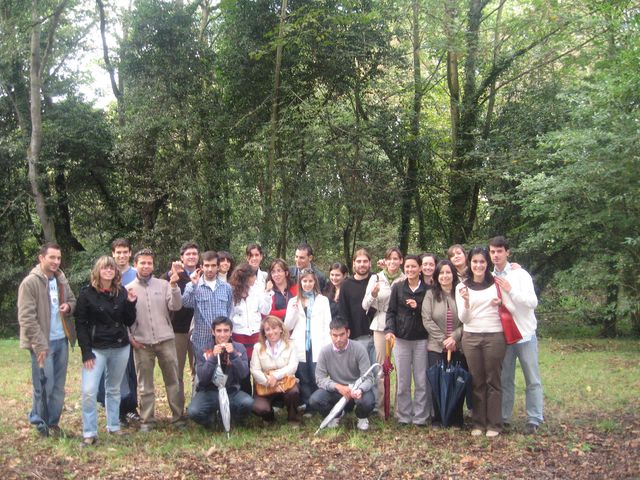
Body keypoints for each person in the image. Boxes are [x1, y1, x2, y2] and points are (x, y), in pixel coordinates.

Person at [75, 256, 137, 446]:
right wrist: (86, 352)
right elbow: (80, 324)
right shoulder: (87, 294)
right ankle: (89, 432)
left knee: (113, 389)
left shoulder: (121, 292)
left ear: (116, 272)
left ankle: (114, 425)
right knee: (89, 391)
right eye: (105, 268)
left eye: (111, 268)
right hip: (96, 349)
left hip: (120, 347)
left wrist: (130, 303)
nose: (108, 271)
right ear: (98, 271)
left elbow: (128, 321)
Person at [18, 242, 76, 438]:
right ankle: (41, 424)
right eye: (52, 257)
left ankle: (53, 423)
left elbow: (73, 301)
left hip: (62, 340)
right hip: (42, 344)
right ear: (41, 258)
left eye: (58, 258)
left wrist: (68, 306)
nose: (56, 262)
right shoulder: (30, 283)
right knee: (44, 386)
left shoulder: (61, 279)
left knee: (58, 387)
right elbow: (26, 317)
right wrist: (39, 344)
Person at [456, 247, 514, 438]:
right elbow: (463, 319)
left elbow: (511, 307)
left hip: (494, 336)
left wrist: (501, 303)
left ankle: (494, 424)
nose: (478, 265)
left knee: (493, 381)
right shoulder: (461, 287)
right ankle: (479, 423)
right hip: (471, 337)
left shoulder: (496, 284)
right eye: (475, 262)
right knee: (477, 381)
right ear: (470, 264)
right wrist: (465, 302)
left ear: (487, 263)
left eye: (482, 262)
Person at [126, 249, 185, 432]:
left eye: (149, 263)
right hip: (142, 343)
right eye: (142, 263)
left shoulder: (164, 285)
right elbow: (124, 317)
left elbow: (176, 305)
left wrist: (174, 286)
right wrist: (131, 337)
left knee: (173, 381)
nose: (146, 266)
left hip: (165, 339)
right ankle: (147, 420)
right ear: (135, 264)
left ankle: (178, 418)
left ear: (153, 264)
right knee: (145, 384)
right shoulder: (128, 288)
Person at [489, 236, 543, 435]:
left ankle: (534, 418)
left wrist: (511, 291)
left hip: (525, 334)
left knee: (532, 377)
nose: (496, 255)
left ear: (507, 253)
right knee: (505, 378)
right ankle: (504, 418)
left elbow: (532, 302)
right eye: (492, 251)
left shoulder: (520, 275)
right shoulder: (489, 276)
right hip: (504, 335)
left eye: (499, 251)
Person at [384, 255, 430, 426]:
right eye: (408, 267)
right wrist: (390, 330)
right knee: (403, 380)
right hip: (401, 340)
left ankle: (420, 417)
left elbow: (429, 314)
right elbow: (391, 312)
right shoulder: (398, 287)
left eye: (414, 267)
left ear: (420, 268)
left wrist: (417, 307)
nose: (410, 270)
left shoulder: (428, 289)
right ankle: (403, 416)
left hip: (421, 339)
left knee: (421, 380)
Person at [422, 259, 467, 427]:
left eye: (448, 272)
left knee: (457, 380)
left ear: (453, 275)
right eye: (441, 273)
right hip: (436, 346)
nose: (445, 276)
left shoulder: (461, 293)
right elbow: (426, 320)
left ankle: (456, 418)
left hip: (458, 345)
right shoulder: (430, 295)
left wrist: (454, 337)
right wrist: (444, 340)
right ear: (436, 276)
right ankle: (438, 418)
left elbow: (467, 319)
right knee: (437, 381)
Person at [309, 318, 375, 431]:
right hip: (337, 390)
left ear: (348, 333)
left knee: (368, 402)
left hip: (356, 389)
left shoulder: (359, 349)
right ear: (330, 334)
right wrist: (337, 387)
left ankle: (361, 416)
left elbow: (369, 378)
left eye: (342, 335)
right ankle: (336, 415)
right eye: (334, 335)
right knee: (314, 400)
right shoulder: (325, 352)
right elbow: (320, 378)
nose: (338, 339)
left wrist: (360, 390)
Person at [188, 316, 254, 428]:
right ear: (213, 332)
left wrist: (233, 355)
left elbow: (244, 374)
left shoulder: (239, 348)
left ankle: (234, 418)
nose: (222, 335)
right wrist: (213, 357)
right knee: (193, 411)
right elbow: (203, 377)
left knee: (248, 403)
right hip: (209, 392)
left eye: (226, 330)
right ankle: (211, 421)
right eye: (218, 331)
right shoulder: (204, 350)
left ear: (231, 332)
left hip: (231, 392)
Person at [362, 247, 405, 413]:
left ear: (401, 260)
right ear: (385, 261)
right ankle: (382, 409)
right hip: (380, 326)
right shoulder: (376, 278)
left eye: (396, 258)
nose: (393, 262)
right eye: (389, 259)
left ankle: (400, 410)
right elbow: (365, 305)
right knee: (381, 369)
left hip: (401, 326)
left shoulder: (405, 277)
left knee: (401, 369)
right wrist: (373, 294)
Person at [284, 269, 332, 410]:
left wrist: (327, 345)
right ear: (300, 282)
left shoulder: (322, 300)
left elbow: (327, 324)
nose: (307, 284)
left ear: (315, 282)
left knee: (316, 375)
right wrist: (293, 310)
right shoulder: (294, 301)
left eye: (310, 281)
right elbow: (287, 326)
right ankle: (307, 404)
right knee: (304, 376)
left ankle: (317, 403)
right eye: (304, 281)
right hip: (300, 344)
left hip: (318, 343)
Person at [229, 262, 272, 394]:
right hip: (239, 335)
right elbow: (229, 315)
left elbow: (266, 309)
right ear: (245, 277)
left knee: (257, 366)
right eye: (253, 276)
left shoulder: (257, 291)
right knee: (243, 368)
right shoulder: (231, 293)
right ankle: (245, 395)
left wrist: (267, 293)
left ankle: (260, 396)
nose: (255, 278)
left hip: (255, 335)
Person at [182, 251, 234, 357]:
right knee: (202, 372)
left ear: (218, 267)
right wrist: (193, 285)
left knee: (221, 371)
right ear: (201, 267)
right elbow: (186, 303)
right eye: (207, 265)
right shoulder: (192, 285)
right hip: (201, 340)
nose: (210, 269)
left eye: (213, 265)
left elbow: (229, 311)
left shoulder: (226, 287)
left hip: (221, 339)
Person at [250, 316, 300, 423]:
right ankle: (270, 418)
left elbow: (293, 366)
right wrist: (268, 381)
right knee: (259, 408)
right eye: (267, 329)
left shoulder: (291, 345)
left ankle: (293, 418)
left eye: (274, 328)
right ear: (264, 332)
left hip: (285, 383)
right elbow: (255, 370)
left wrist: (276, 376)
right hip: (265, 385)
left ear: (281, 329)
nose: (271, 332)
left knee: (293, 392)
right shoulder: (257, 347)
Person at [166, 241, 199, 403]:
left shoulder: (202, 275)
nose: (192, 257)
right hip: (177, 330)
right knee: (176, 372)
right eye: (188, 254)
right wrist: (172, 274)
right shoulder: (172, 274)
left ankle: (195, 406)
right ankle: (178, 412)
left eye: (194, 254)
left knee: (198, 370)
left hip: (198, 330)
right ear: (181, 257)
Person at [338, 249, 374, 358]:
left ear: (370, 263)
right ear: (354, 264)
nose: (362, 264)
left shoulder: (376, 280)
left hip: (377, 334)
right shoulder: (346, 285)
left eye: (365, 261)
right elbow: (343, 312)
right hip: (356, 336)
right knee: (361, 372)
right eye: (359, 261)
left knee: (378, 371)